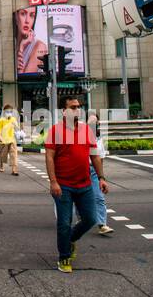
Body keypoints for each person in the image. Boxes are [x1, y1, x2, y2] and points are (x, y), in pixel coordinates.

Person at [44, 97, 108, 273]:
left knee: (90, 219)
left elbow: (94, 155)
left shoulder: (86, 130)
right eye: (73, 107)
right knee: (64, 223)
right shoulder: (55, 131)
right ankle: (64, 257)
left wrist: (101, 177)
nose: (77, 110)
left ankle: (69, 240)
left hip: (85, 184)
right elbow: (49, 157)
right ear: (63, 111)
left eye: (79, 107)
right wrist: (53, 181)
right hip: (63, 185)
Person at [88, 112, 114, 235]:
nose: (93, 124)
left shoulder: (99, 139)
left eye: (95, 122)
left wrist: (101, 177)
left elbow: (100, 159)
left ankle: (102, 224)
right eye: (91, 122)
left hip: (93, 171)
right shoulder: (79, 136)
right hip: (80, 170)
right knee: (79, 197)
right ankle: (82, 219)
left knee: (99, 197)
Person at [0, 103, 20, 175]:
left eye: (11, 111)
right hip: (3, 140)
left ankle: (14, 170)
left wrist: (19, 133)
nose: (9, 113)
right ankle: (1, 165)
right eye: (7, 111)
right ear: (4, 112)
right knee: (3, 154)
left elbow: (17, 128)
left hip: (12, 140)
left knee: (13, 154)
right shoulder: (2, 120)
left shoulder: (13, 119)